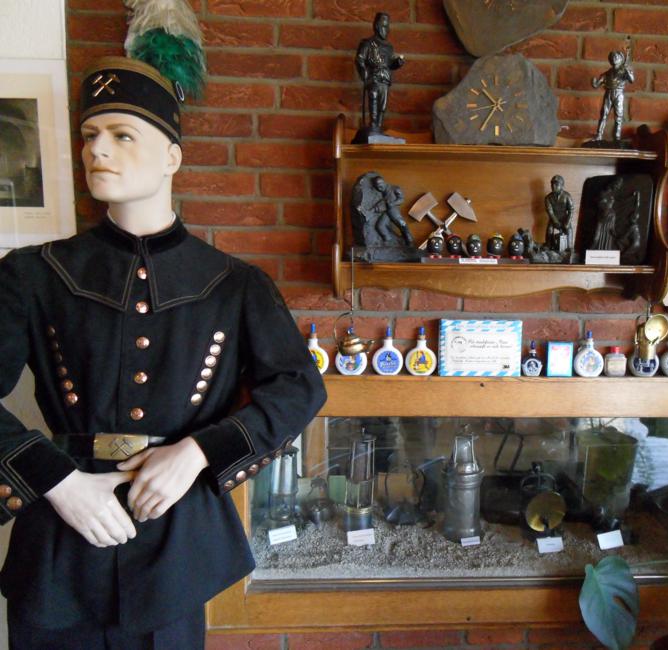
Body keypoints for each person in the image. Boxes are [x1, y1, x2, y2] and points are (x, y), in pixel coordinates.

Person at [0, 56, 327, 649]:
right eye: (90, 135)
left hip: (176, 546)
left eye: (122, 135)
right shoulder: (32, 274)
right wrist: (58, 481)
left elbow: (299, 387)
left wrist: (197, 453)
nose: (98, 150)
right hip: (59, 547)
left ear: (172, 157)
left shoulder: (235, 285)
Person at [355, 12, 405, 136]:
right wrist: (364, 72)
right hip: (373, 77)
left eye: (387, 26)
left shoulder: (389, 47)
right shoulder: (367, 43)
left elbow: (390, 64)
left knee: (382, 106)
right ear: (377, 26)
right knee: (373, 100)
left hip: (385, 79)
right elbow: (360, 59)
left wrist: (398, 63)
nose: (386, 29)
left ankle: (379, 128)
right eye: (384, 26)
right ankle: (373, 126)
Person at [591, 48, 634, 142]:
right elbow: (596, 84)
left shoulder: (623, 72)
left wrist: (627, 71)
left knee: (618, 116)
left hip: (619, 94)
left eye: (616, 57)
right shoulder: (607, 73)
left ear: (621, 59)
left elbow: (631, 80)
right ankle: (599, 135)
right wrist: (594, 82)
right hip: (608, 93)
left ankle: (617, 137)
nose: (614, 58)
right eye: (612, 57)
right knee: (604, 114)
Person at [372, 175, 412, 245]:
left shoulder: (395, 188)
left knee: (401, 224)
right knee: (380, 226)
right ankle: (388, 241)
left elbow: (401, 199)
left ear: (383, 182)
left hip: (394, 211)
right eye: (377, 187)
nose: (379, 188)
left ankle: (409, 239)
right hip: (387, 212)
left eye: (380, 185)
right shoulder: (382, 193)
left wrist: (393, 203)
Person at [544, 175, 575, 254]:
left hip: (564, 217)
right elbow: (550, 211)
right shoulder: (548, 198)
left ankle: (569, 246)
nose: (553, 186)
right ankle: (548, 245)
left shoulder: (567, 196)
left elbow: (571, 210)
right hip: (554, 218)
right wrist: (555, 221)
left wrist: (567, 222)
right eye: (552, 184)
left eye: (556, 184)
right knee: (550, 229)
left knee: (569, 229)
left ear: (562, 186)